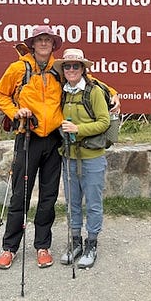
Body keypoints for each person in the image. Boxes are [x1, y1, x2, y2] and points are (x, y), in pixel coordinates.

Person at [0, 25, 119, 270]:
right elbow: (1, 94)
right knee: (21, 193)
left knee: (48, 196)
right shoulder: (18, 68)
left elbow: (90, 81)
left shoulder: (60, 69)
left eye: (47, 40)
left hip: (54, 139)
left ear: (53, 45)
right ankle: (9, 248)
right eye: (39, 39)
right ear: (32, 43)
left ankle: (43, 246)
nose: (43, 43)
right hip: (27, 135)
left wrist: (114, 94)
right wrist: (15, 111)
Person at [54, 48, 111, 269]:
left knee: (94, 204)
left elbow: (104, 121)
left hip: (92, 157)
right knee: (72, 203)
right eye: (67, 66)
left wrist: (78, 129)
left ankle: (92, 244)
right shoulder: (62, 92)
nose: (71, 70)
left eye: (75, 66)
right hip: (68, 156)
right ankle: (75, 242)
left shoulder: (93, 91)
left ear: (83, 69)